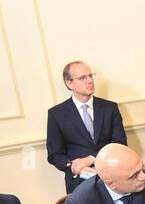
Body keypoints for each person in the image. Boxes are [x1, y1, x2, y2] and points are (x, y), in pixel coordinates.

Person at [45, 61, 128, 193]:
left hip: (112, 173)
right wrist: (75, 167)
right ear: (69, 83)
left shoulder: (109, 108)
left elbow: (120, 143)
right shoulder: (57, 114)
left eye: (90, 76)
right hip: (79, 179)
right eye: (83, 78)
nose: (89, 81)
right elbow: (55, 154)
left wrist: (91, 159)